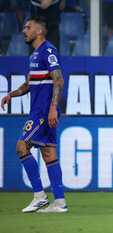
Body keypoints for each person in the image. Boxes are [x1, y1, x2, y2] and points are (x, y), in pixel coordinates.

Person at [1, 17, 67, 213]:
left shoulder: (48, 51)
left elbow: (59, 80)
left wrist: (53, 108)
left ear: (39, 31)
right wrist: (12, 94)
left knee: (22, 148)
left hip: (43, 113)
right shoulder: (35, 55)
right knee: (49, 154)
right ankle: (60, 202)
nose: (24, 30)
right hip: (41, 112)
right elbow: (30, 84)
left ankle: (39, 195)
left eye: (28, 27)